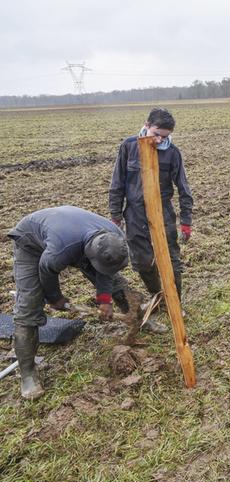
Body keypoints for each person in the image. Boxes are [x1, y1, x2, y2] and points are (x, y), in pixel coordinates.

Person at [8, 206, 130, 400]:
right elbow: (46, 271)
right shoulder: (60, 251)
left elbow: (107, 272)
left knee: (117, 283)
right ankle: (28, 374)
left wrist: (104, 299)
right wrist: (55, 298)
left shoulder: (114, 236)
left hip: (75, 238)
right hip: (31, 245)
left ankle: (139, 318)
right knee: (28, 308)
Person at [109, 108, 193, 301]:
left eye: (165, 137)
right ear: (146, 125)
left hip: (163, 212)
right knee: (142, 261)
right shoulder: (129, 147)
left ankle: (175, 302)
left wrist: (186, 221)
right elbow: (117, 183)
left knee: (171, 260)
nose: (159, 141)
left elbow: (184, 189)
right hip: (135, 213)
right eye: (156, 135)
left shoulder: (172, 153)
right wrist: (116, 216)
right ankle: (158, 296)